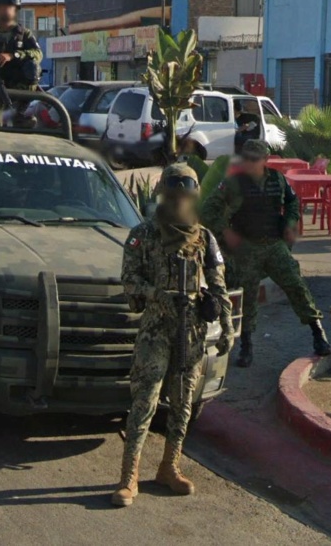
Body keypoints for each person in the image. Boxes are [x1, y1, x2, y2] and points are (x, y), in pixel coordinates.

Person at [113, 163, 234, 507]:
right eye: (174, 193)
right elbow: (129, 281)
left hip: (191, 331)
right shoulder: (143, 235)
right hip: (156, 330)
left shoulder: (205, 238)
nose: (180, 201)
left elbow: (218, 284)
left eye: (186, 194)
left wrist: (226, 325)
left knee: (183, 403)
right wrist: (158, 295)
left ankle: (170, 466)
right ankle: (129, 476)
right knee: (145, 401)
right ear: (164, 193)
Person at [201, 140, 331, 369]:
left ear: (265, 160)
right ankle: (246, 346)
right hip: (247, 247)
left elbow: (292, 202)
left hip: (273, 244)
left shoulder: (277, 180)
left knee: (295, 285)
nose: (250, 163)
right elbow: (209, 209)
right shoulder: (233, 183)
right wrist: (226, 231)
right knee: (249, 296)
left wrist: (291, 223)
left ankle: (318, 331)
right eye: (247, 158)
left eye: (255, 159)